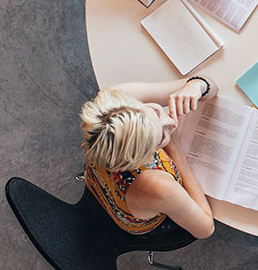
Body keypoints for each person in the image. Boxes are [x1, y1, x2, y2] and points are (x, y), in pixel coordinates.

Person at [79, 76, 217, 239]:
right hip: (139, 218)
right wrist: (174, 147)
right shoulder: (159, 187)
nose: (172, 122)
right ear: (143, 158)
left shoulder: (115, 99)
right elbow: (206, 229)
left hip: (98, 179)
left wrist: (197, 86)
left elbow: (210, 85)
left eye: (156, 111)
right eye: (161, 137)